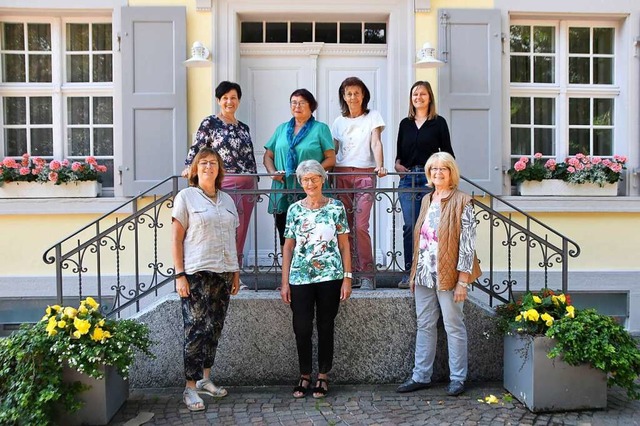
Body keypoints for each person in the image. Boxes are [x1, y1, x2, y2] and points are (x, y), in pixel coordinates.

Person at [396, 152, 481, 397]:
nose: (438, 173)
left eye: (443, 169)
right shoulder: (427, 199)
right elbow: (419, 239)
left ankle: (457, 378)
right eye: (433, 169)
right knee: (424, 324)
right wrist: (413, 274)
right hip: (424, 273)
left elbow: (467, 244)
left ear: (451, 172)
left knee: (454, 326)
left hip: (449, 275)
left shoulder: (463, 201)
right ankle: (421, 376)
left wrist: (463, 280)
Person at [172, 147, 241, 411]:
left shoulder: (227, 200)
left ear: (219, 170)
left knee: (215, 328)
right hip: (196, 273)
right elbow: (176, 239)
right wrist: (180, 275)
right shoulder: (186, 197)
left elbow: (232, 240)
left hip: (223, 272)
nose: (209, 167)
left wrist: (235, 272)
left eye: (213, 163)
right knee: (195, 329)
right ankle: (190, 388)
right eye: (203, 163)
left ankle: (205, 379)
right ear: (194, 169)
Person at [280, 159, 352, 399]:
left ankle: (323, 375)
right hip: (300, 277)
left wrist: (347, 278)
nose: (310, 183)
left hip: (330, 275)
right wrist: (284, 282)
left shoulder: (336, 208)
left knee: (325, 325)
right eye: (305, 179)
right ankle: (304, 374)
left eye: (314, 178)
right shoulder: (294, 210)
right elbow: (288, 247)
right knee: (301, 327)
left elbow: (344, 245)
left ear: (323, 179)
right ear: (300, 183)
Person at [183, 81, 257, 287]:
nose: (229, 101)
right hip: (225, 181)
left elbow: (249, 155)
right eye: (225, 98)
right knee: (226, 228)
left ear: (238, 101)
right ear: (218, 101)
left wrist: (255, 179)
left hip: (247, 183)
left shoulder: (244, 127)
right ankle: (221, 271)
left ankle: (235, 274)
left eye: (233, 97)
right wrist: (190, 167)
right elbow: (198, 148)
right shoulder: (211, 123)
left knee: (241, 230)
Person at [395, 81, 455, 289]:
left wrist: (444, 179)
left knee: (430, 227)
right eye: (415, 94)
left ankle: (431, 271)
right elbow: (399, 156)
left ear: (429, 97)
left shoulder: (438, 123)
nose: (418, 97)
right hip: (408, 178)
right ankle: (409, 273)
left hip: (431, 180)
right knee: (410, 226)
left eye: (422, 94)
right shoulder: (405, 123)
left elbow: (447, 154)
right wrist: (397, 166)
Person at [263, 89, 336, 252]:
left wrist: (310, 173)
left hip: (310, 189)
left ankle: (310, 274)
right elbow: (268, 155)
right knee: (286, 235)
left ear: (311, 106)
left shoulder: (320, 128)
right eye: (294, 102)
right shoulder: (281, 129)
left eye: (302, 103)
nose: (297, 106)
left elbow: (331, 159)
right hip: (283, 190)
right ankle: (287, 275)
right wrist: (272, 172)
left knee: (312, 235)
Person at [331, 77, 386, 290]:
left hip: (365, 174)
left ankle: (367, 273)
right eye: (348, 93)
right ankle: (349, 272)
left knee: (361, 226)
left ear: (364, 95)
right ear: (343, 97)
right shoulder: (338, 122)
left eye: (356, 92)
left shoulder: (373, 116)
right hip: (341, 174)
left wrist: (380, 166)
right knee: (345, 227)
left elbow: (376, 142)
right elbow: (333, 150)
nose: (353, 97)